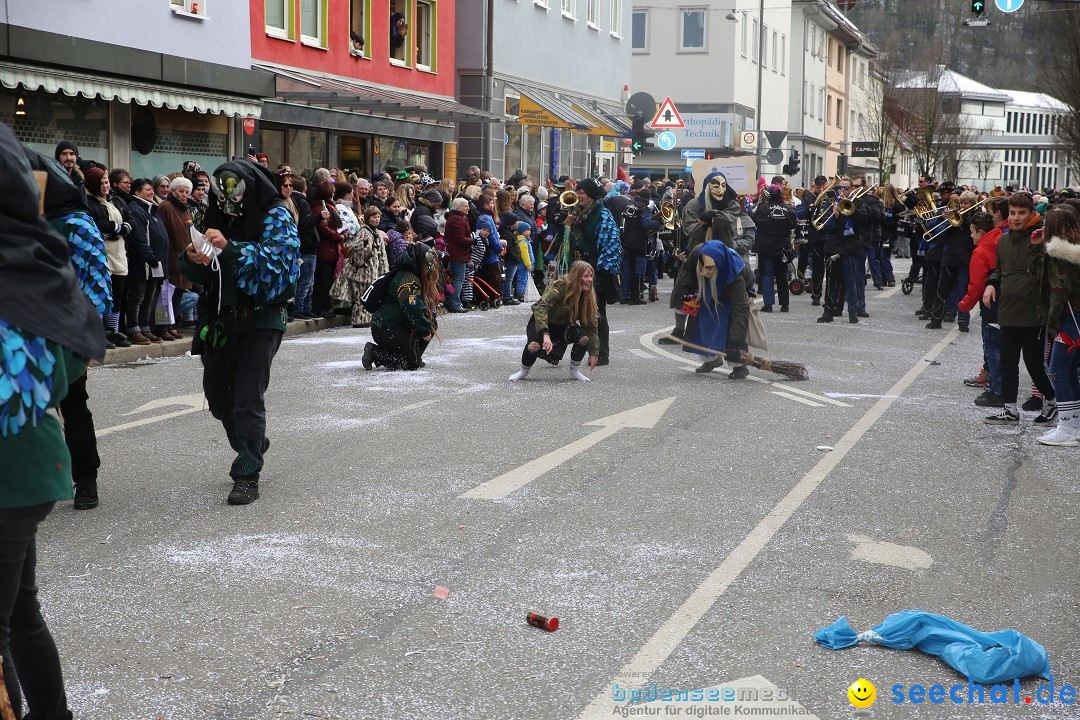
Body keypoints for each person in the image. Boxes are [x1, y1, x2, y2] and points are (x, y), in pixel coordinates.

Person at [1, 120, 107, 720]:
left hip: (12, 472)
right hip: (27, 468)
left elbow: (64, 364)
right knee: (20, 613)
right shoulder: (34, 252)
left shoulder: (29, 255)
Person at [179, 159, 300, 505]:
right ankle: (253, 442)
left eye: (236, 193)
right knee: (218, 396)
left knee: (247, 396)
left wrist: (230, 249)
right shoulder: (211, 214)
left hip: (261, 319)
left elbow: (280, 264)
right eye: (222, 193)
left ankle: (247, 471)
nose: (229, 201)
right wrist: (192, 257)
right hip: (220, 318)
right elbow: (193, 264)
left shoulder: (274, 214)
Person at [982, 193, 1057, 426]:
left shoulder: (1041, 238)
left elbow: (1043, 275)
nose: (1016, 218)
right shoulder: (1003, 240)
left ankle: (1052, 402)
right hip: (1008, 310)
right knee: (1007, 362)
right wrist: (991, 284)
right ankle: (1010, 409)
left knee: (1034, 363)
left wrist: (1037, 247)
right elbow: (999, 270)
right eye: (1012, 213)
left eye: (1021, 213)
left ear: (1031, 213)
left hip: (1033, 311)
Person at [1031, 206, 1080, 445]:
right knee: (1068, 371)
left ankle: (1067, 427)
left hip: (1070, 318)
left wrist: (1052, 322)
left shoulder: (1059, 254)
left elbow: (1059, 291)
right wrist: (1036, 248)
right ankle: (1074, 426)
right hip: (1074, 318)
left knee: (1058, 370)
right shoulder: (1071, 251)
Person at [508, 260, 599, 382]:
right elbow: (541, 308)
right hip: (542, 323)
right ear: (576, 277)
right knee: (533, 346)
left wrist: (594, 352)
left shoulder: (588, 294)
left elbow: (590, 325)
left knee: (583, 338)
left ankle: (574, 372)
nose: (589, 280)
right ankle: (522, 372)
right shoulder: (559, 287)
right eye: (586, 276)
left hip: (563, 326)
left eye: (591, 276)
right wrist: (545, 335)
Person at [563, 178, 621, 364]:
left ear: (592, 194)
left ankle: (601, 353)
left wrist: (599, 271)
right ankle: (558, 350)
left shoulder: (603, 215)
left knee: (597, 312)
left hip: (594, 270)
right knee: (570, 310)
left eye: (582, 193)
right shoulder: (575, 213)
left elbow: (611, 245)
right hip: (576, 268)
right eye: (577, 192)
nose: (578, 196)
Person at [675, 240, 751, 378]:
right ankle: (711, 359)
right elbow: (687, 269)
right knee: (704, 321)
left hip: (729, 287)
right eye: (703, 267)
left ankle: (739, 364)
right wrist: (687, 290)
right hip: (707, 288)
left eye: (709, 268)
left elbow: (740, 311)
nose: (704, 272)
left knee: (729, 323)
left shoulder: (735, 275)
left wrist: (735, 343)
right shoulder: (697, 253)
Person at [362, 243, 441, 371]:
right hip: (386, 328)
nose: (430, 266)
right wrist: (424, 329)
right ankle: (375, 353)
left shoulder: (409, 275)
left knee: (431, 322)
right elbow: (412, 308)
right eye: (428, 262)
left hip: (395, 326)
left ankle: (414, 356)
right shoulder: (408, 280)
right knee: (410, 364)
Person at [84, 166, 133, 348]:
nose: (105, 186)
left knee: (118, 295)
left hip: (119, 253)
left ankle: (113, 330)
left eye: (106, 182)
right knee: (100, 294)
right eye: (101, 183)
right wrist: (117, 228)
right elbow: (96, 223)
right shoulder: (88, 201)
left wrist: (124, 227)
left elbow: (130, 219)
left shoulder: (116, 200)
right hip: (101, 254)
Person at [124, 179, 170, 345]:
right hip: (143, 263)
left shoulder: (152, 210)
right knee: (137, 297)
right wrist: (149, 257)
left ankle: (145, 328)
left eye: (152, 190)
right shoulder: (136, 210)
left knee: (148, 298)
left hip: (155, 264)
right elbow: (138, 238)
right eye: (148, 190)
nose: (152, 193)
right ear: (137, 192)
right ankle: (133, 329)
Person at [332, 203, 390, 327]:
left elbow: (382, 256)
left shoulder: (377, 233)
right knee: (361, 297)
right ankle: (359, 320)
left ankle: (367, 319)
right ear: (368, 218)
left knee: (369, 297)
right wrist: (364, 244)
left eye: (378, 217)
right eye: (374, 217)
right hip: (363, 272)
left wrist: (384, 272)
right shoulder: (364, 232)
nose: (376, 219)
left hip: (374, 272)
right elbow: (358, 252)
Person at [155, 177, 195, 340]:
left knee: (178, 293)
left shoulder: (186, 209)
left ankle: (171, 324)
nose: (184, 195)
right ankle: (161, 326)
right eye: (181, 191)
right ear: (172, 191)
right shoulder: (165, 207)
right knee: (166, 295)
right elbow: (161, 234)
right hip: (170, 256)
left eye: (186, 192)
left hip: (183, 257)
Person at [752, 183, 796, 312]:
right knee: (782, 275)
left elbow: (755, 219)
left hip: (766, 247)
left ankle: (769, 304)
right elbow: (793, 225)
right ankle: (785, 304)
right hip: (783, 247)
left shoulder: (762, 208)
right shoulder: (789, 209)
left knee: (767, 275)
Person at [444, 197, 473, 312]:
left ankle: (452, 302)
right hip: (458, 254)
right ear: (459, 208)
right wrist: (474, 240)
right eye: (466, 206)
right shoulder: (458, 220)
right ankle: (455, 304)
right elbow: (460, 239)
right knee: (458, 280)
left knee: (453, 278)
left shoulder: (456, 218)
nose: (468, 208)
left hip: (454, 253)